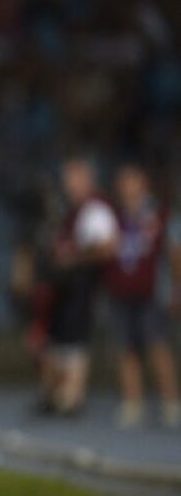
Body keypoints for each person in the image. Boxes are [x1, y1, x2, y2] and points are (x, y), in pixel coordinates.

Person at [38, 157, 118, 417]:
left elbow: (107, 247)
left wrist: (73, 256)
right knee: (59, 341)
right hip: (67, 286)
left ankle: (73, 397)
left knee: (75, 342)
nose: (68, 184)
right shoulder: (73, 210)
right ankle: (59, 394)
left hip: (82, 284)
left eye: (73, 178)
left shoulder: (96, 209)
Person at [105, 162, 180, 428]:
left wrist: (175, 288)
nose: (127, 187)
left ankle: (171, 403)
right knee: (126, 349)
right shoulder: (113, 216)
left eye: (132, 181)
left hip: (151, 293)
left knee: (158, 347)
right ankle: (133, 402)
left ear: (143, 184)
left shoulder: (159, 215)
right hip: (121, 291)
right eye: (123, 182)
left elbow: (174, 254)